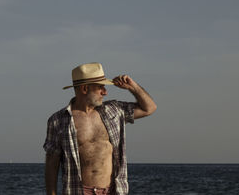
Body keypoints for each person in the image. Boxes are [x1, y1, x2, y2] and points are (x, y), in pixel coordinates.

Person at [44, 62, 157, 195]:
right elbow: (52, 163)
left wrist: (133, 87)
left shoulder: (114, 110)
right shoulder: (58, 121)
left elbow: (149, 108)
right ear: (85, 89)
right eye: (100, 87)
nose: (105, 92)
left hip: (113, 191)